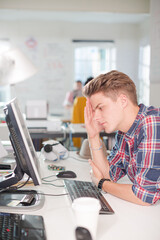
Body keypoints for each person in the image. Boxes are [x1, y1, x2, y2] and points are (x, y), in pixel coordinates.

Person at [83, 70, 160, 206]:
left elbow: (144, 197)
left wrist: (102, 184)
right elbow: (108, 175)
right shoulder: (124, 133)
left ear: (123, 101)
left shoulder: (151, 123)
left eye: (100, 108)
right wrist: (93, 136)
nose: (96, 117)